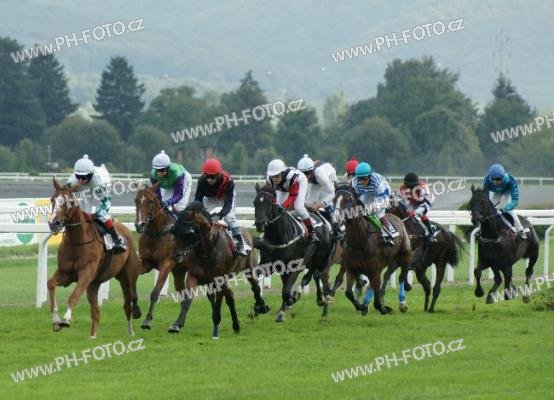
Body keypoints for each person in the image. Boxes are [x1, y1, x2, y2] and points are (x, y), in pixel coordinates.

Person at [66, 154, 126, 253]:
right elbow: (64, 192)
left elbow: (103, 201)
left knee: (101, 214)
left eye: (83, 177)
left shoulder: (100, 182)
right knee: (83, 214)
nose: (80, 180)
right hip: (86, 190)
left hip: (102, 188)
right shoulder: (73, 180)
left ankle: (117, 239)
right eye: (78, 176)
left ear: (90, 175)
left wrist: (94, 215)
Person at [194, 158, 248, 256]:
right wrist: (202, 213)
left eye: (212, 177)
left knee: (229, 217)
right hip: (210, 197)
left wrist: (219, 215)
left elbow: (227, 206)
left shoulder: (229, 182)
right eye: (207, 176)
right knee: (198, 216)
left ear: (218, 175)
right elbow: (198, 201)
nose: (209, 180)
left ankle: (240, 244)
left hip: (225, 197)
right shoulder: (201, 181)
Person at [266, 159, 318, 243]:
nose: (274, 179)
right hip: (284, 187)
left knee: (299, 208)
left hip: (300, 182)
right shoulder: (269, 179)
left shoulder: (291, 177)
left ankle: (311, 232)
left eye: (277, 176)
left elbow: (293, 196)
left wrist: (283, 206)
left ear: (282, 173)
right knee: (277, 210)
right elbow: (271, 194)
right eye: (273, 176)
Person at [352, 161, 396, 246]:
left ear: (370, 176)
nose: (362, 182)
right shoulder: (355, 182)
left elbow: (383, 201)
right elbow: (357, 198)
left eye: (364, 178)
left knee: (378, 213)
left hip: (382, 195)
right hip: (366, 193)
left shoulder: (378, 183)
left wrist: (372, 208)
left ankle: (388, 235)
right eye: (359, 179)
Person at [483, 163, 526, 239]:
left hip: (506, 192)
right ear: (490, 177)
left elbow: (515, 201)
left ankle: (520, 230)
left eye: (498, 179)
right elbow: (485, 198)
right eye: (493, 179)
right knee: (491, 210)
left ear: (502, 177)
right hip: (494, 192)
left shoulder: (510, 181)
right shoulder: (487, 181)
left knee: (509, 211)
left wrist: (504, 209)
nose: (495, 181)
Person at [296, 154, 338, 229]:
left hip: (329, 175)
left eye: (307, 173)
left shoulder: (319, 174)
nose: (305, 176)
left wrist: (320, 204)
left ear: (312, 171)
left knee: (326, 203)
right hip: (315, 181)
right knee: (309, 203)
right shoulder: (300, 176)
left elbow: (332, 193)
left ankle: (337, 227)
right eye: (302, 173)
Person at [399, 172, 437, 242]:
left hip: (427, 200)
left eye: (412, 186)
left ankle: (430, 232)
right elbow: (405, 202)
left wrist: (414, 212)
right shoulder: (402, 188)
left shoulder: (423, 188)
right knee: (406, 213)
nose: (410, 188)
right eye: (408, 186)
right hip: (414, 201)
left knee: (420, 214)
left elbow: (425, 205)